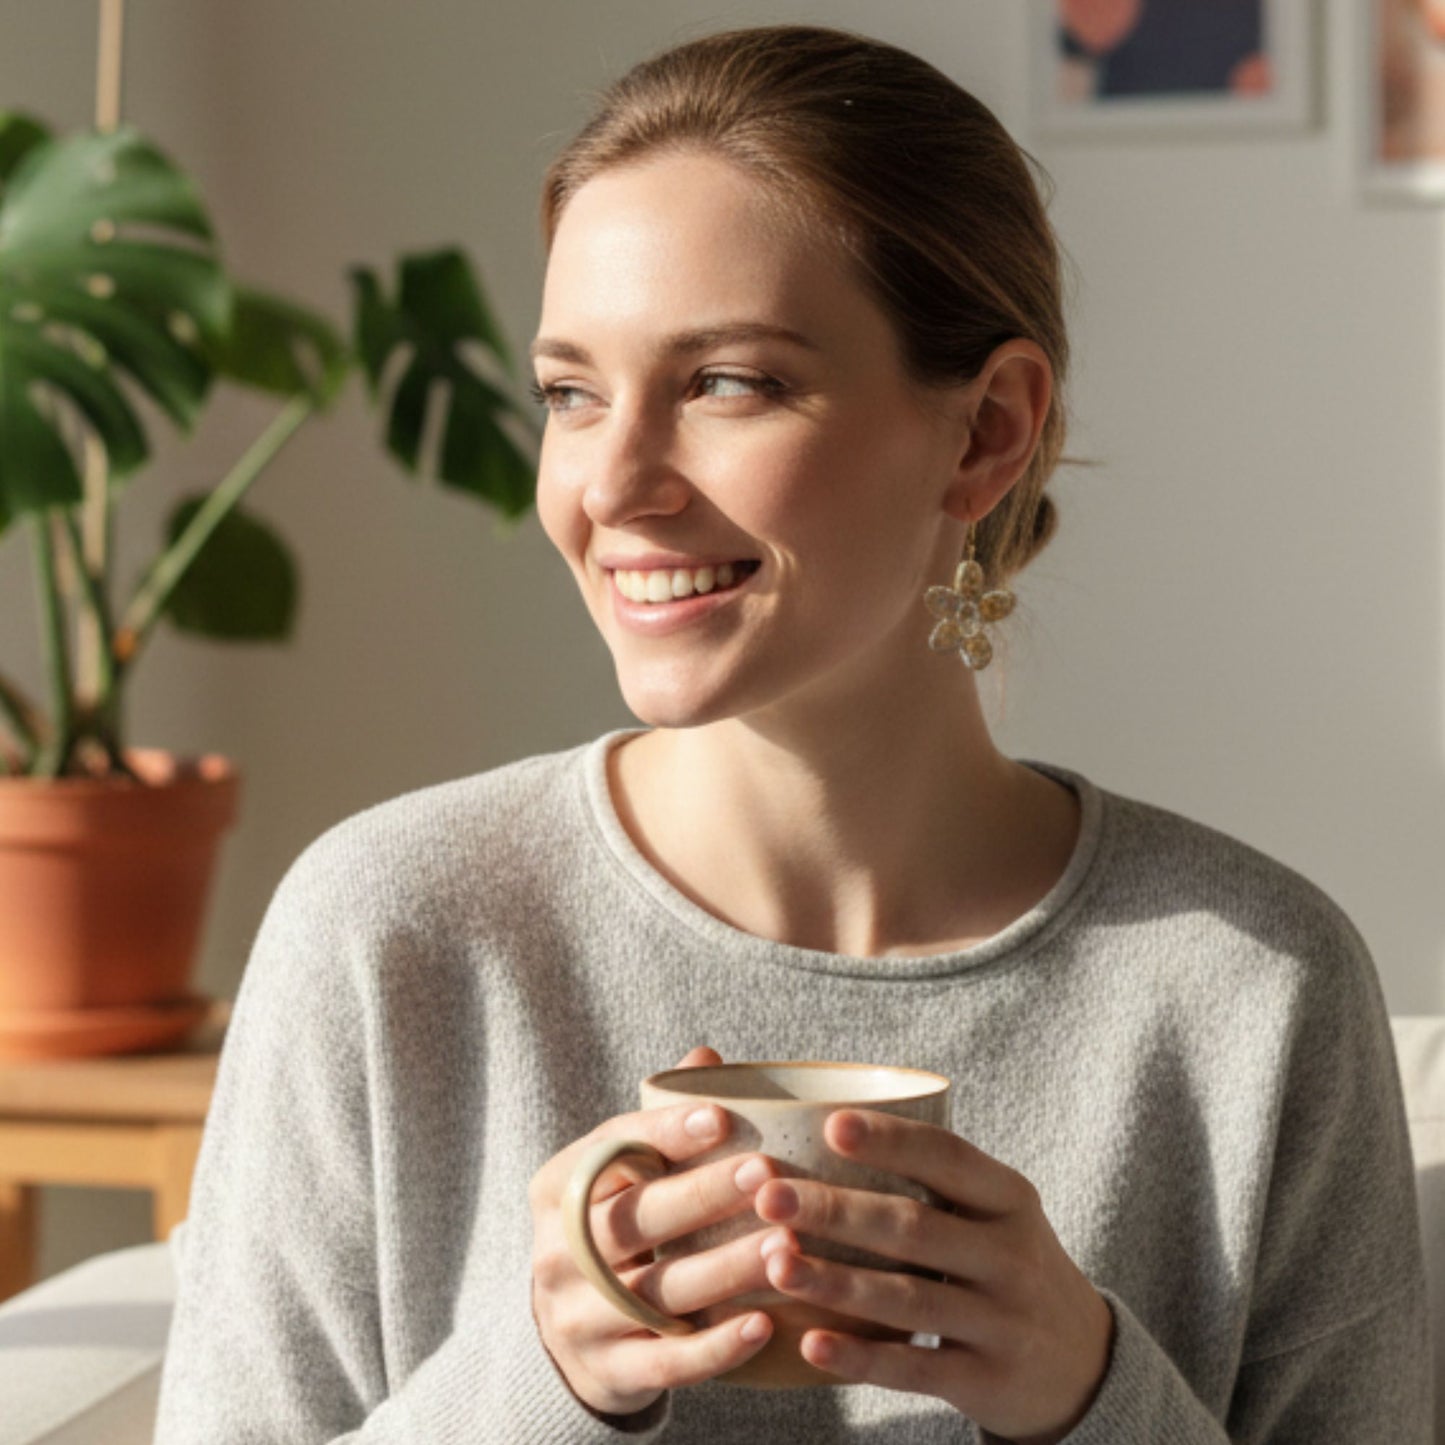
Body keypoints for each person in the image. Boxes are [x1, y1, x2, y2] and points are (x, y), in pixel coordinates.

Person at [152, 22, 1431, 1444]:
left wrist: (1089, 1391)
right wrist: (545, 1372)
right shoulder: (392, 931)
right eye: (571, 392)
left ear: (986, 433)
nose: (613, 484)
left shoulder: (1249, 990)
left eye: (726, 382)